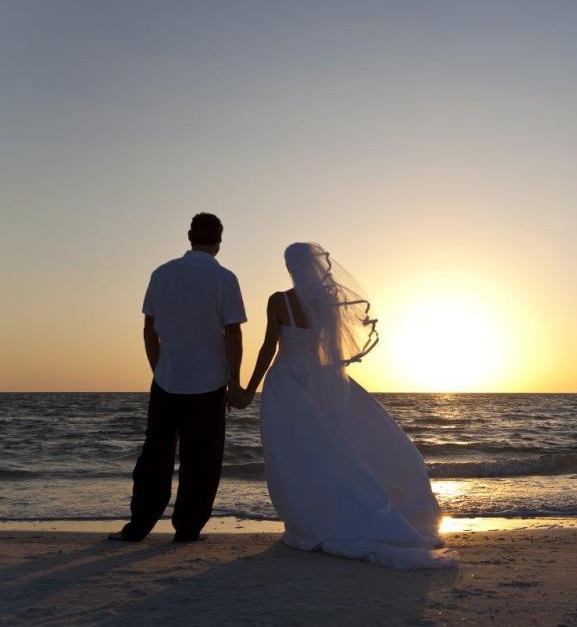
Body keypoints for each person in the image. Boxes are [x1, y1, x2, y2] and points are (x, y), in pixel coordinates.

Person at [234, 242, 454, 568]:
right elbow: (334, 353)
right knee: (330, 451)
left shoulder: (278, 301)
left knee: (294, 454)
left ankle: (308, 522)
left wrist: (249, 388)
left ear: (292, 268)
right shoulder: (327, 303)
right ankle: (324, 517)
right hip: (321, 381)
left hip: (286, 383)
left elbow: (269, 347)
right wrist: (333, 389)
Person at [111, 213, 247, 542]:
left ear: (189, 236)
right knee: (201, 458)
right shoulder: (225, 278)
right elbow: (232, 332)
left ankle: (139, 524)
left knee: (156, 455)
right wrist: (235, 379)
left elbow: (148, 329)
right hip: (209, 381)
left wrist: (157, 367)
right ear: (219, 240)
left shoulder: (162, 274)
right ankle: (187, 528)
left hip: (167, 378)